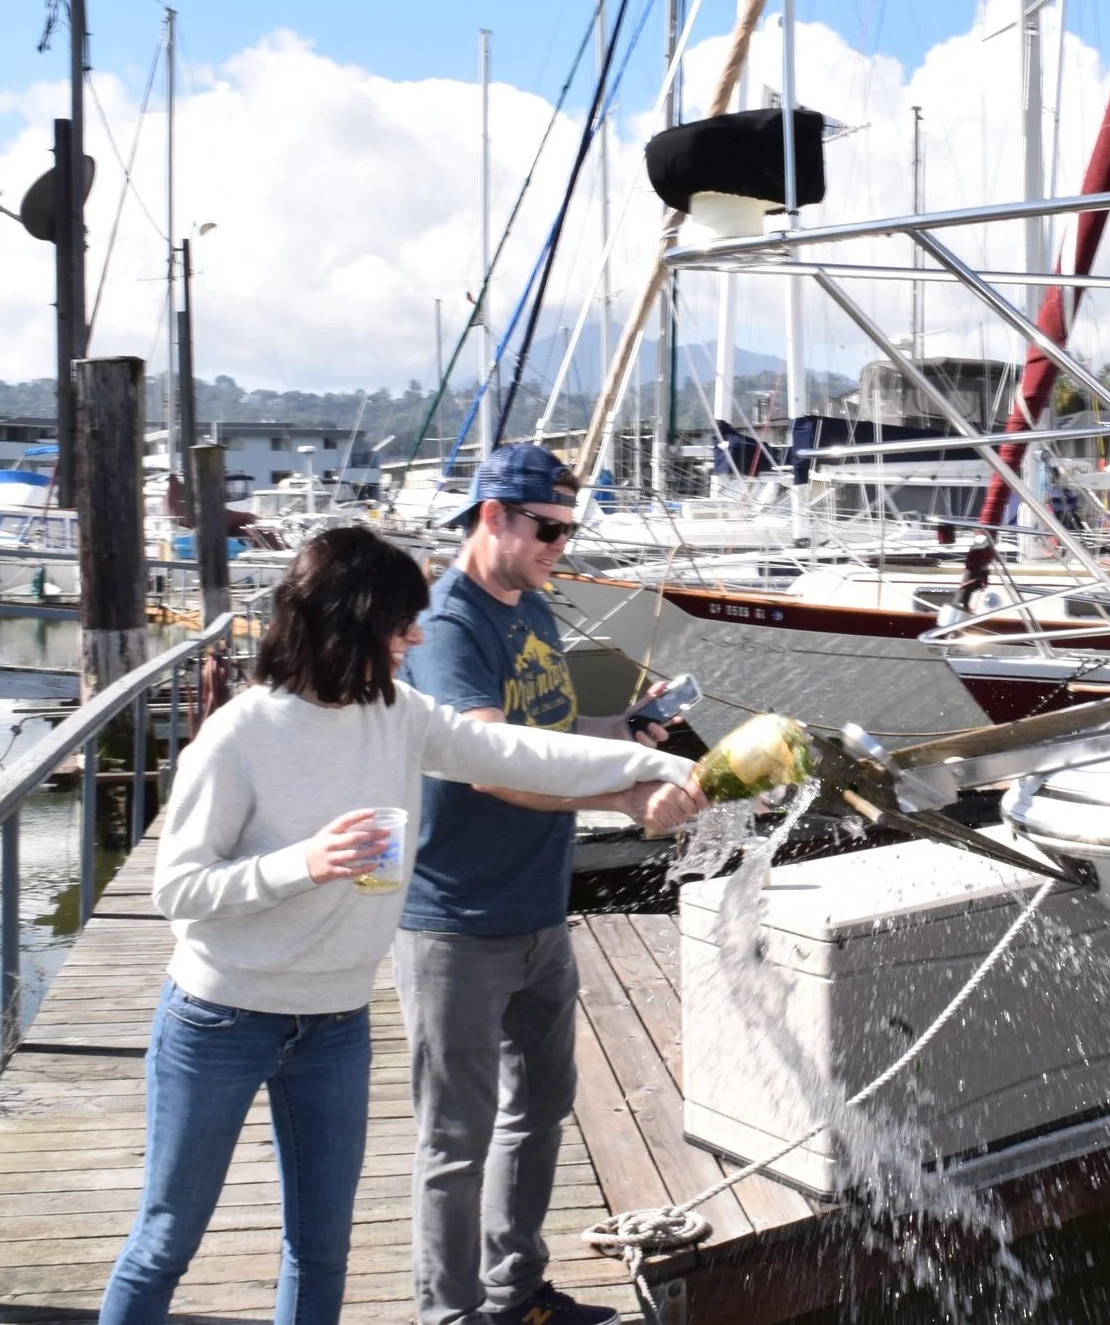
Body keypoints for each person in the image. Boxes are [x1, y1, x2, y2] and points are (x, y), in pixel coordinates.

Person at [98, 525, 702, 1325]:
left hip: (336, 1022)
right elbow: (175, 889)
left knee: (321, 1248)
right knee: (167, 1237)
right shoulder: (239, 734)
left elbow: (512, 753)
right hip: (223, 1016)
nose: (414, 638)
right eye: (399, 623)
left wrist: (656, 766)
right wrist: (303, 863)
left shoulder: (397, 710)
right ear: (348, 621)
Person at [396, 444, 699, 1325]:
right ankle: (446, 1313)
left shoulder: (529, 608)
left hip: (539, 906)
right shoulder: (447, 622)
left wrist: (628, 724)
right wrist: (621, 792)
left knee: (540, 1110)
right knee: (455, 1136)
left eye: (569, 529)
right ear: (492, 514)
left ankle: (515, 1289)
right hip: (455, 916)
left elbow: (552, 728)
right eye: (548, 528)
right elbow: (491, 762)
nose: (560, 545)